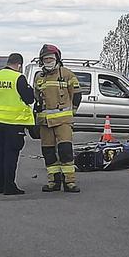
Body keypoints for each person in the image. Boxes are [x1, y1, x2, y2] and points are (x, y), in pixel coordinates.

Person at [33, 44, 82, 193]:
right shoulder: (39, 77)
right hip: (45, 122)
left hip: (63, 122)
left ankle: (70, 182)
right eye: (45, 59)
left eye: (50, 58)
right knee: (48, 152)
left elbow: (77, 95)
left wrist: (71, 113)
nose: (48, 61)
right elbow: (36, 98)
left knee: (65, 151)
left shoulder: (67, 74)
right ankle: (53, 181)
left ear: (57, 59)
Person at [0, 53, 35, 195]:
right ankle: (9, 186)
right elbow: (29, 98)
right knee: (11, 155)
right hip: (14, 122)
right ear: (19, 65)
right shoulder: (18, 78)